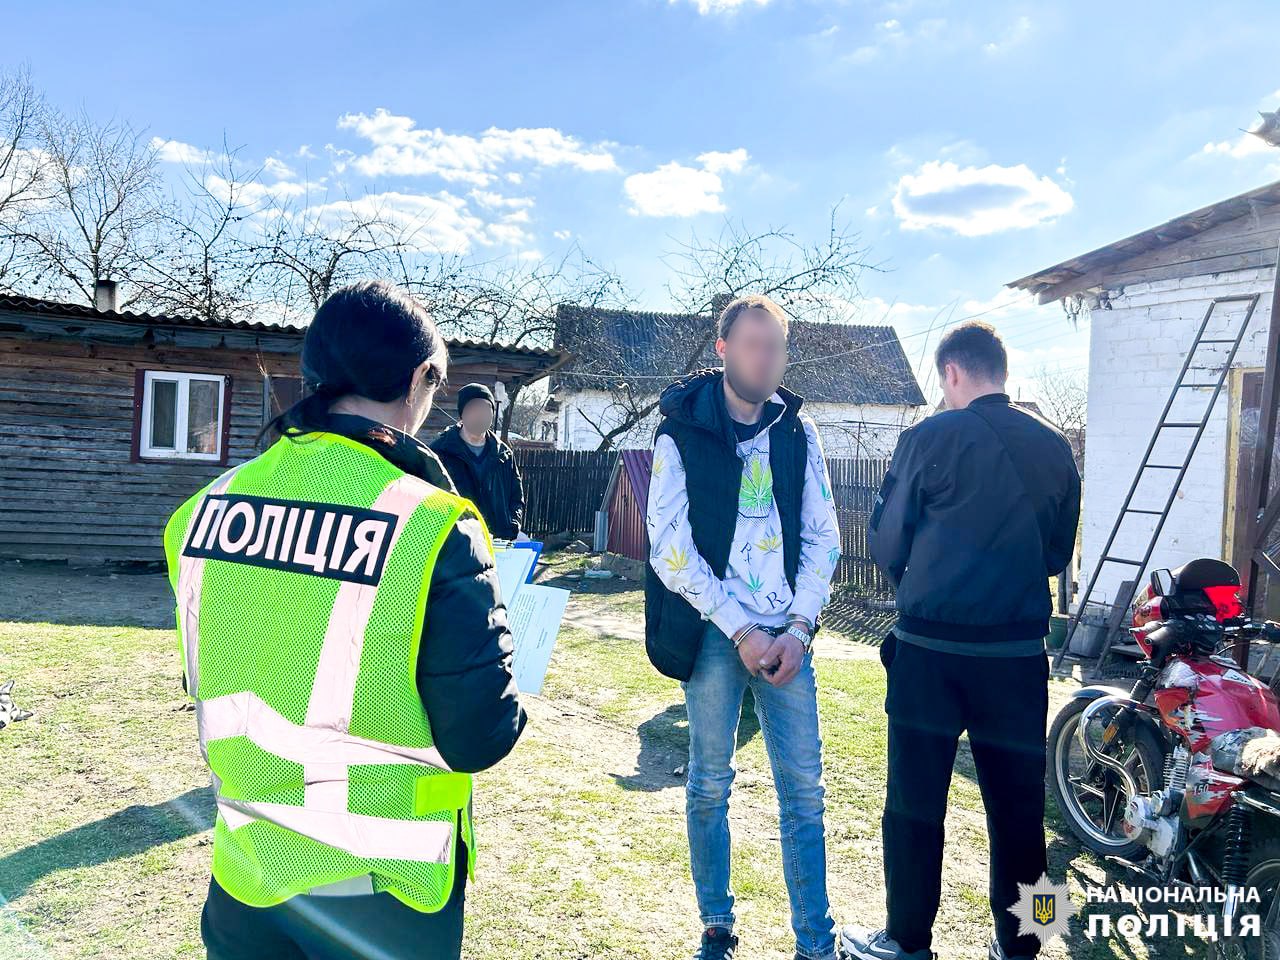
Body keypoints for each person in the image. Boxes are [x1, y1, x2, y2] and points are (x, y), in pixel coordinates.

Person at [163, 280, 526, 960]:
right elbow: (480, 736)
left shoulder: (201, 512)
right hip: (383, 893)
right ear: (419, 378)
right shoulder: (431, 522)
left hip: (247, 870)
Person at [842, 321, 1081, 960]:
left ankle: (906, 940)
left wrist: (922, 582)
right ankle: (1030, 943)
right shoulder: (1055, 446)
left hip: (930, 656)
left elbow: (887, 539)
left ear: (951, 372)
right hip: (1017, 658)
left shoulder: (928, 437)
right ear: (1000, 370)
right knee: (1023, 810)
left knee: (913, 805)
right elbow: (1058, 552)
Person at [645, 294, 847, 960]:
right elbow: (668, 546)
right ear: (723, 349)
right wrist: (739, 629)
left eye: (776, 346)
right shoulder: (680, 431)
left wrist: (800, 628)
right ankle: (717, 925)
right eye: (753, 344)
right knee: (709, 783)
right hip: (715, 632)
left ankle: (815, 942)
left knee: (805, 795)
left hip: (788, 634)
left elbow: (823, 537)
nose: (765, 358)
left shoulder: (799, 433)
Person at [430, 383, 525, 540]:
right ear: (462, 413)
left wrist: (512, 526)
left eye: (486, 408)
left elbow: (516, 498)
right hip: (457, 543)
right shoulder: (440, 451)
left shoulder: (504, 455)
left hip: (499, 541)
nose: (480, 414)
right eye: (474, 408)